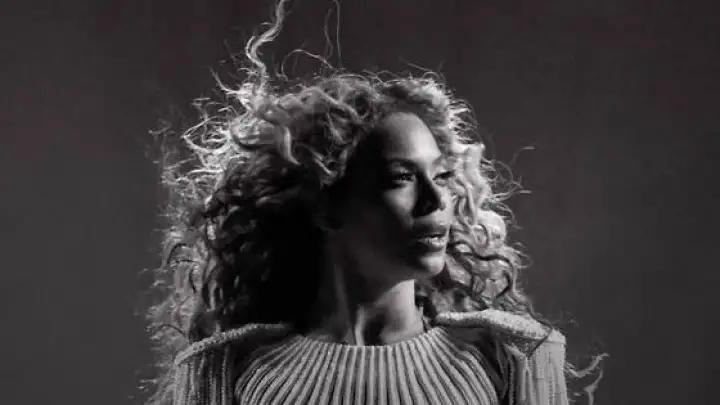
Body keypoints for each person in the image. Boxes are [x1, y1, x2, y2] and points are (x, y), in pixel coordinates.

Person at [142, 1, 603, 404]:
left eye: (442, 176)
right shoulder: (223, 371)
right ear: (325, 206)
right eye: (401, 179)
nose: (436, 200)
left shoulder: (514, 357)